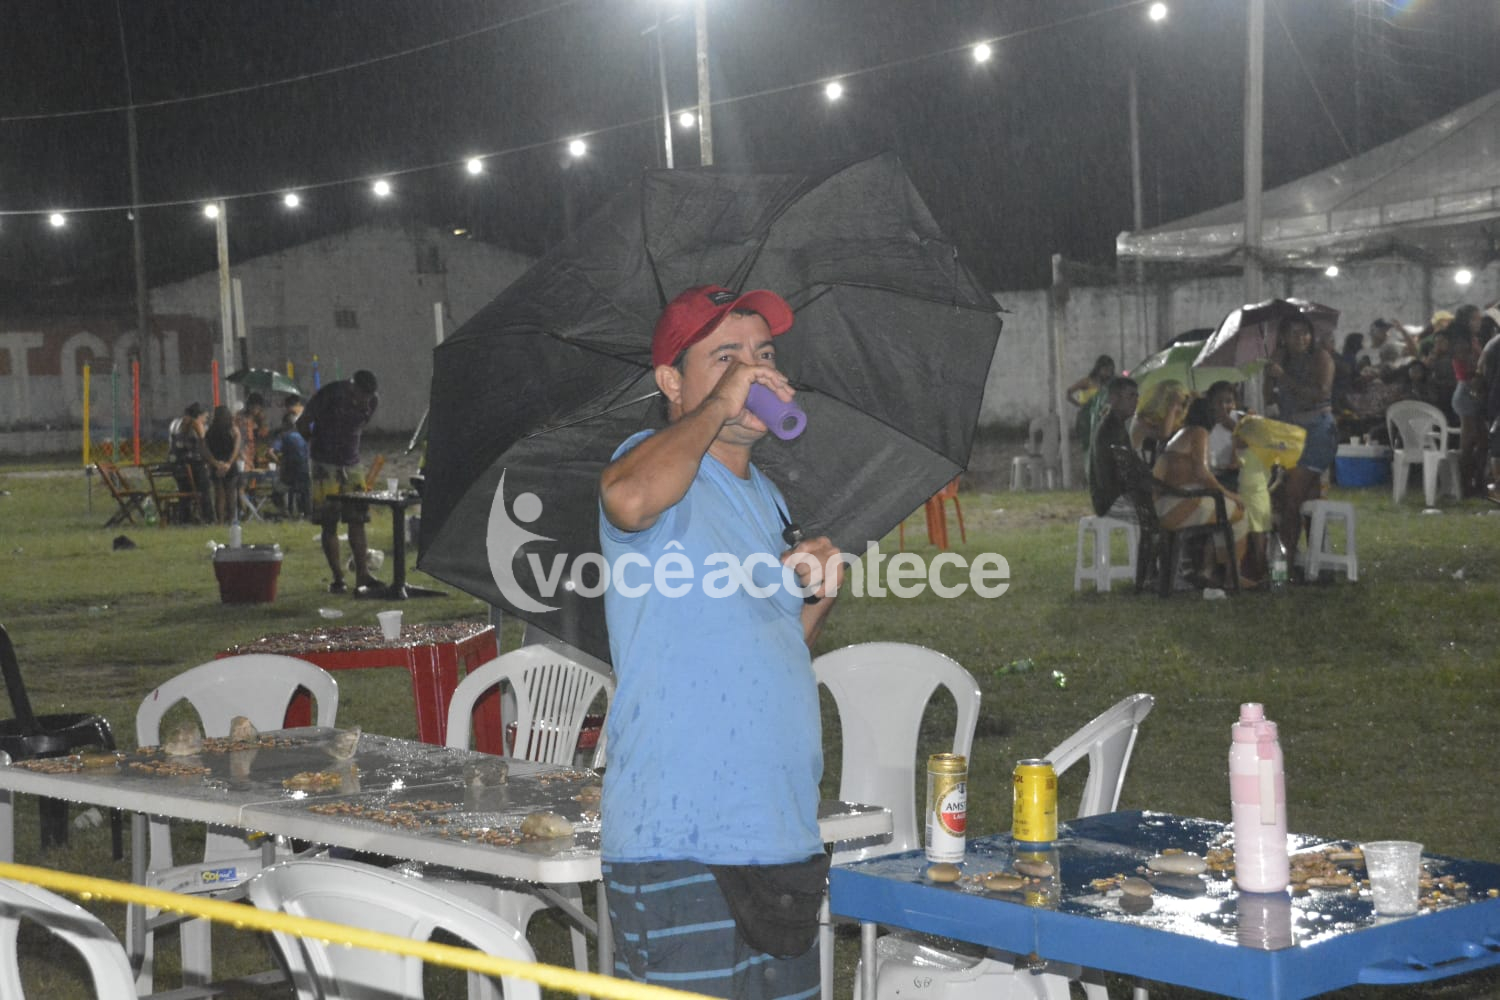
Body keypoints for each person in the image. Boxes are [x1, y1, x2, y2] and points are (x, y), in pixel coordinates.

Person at [597, 285, 842, 998]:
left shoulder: (769, 500)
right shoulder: (652, 466)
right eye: (726, 357)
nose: (755, 369)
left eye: (764, 353)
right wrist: (719, 405)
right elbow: (628, 497)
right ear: (671, 383)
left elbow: (771, 648)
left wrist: (818, 599)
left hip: (781, 833)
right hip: (681, 840)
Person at [297, 369, 382, 595]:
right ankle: (338, 578)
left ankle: (363, 574)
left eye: (367, 398)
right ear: (351, 387)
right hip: (325, 465)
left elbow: (357, 427)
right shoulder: (330, 394)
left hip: (352, 464)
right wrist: (317, 445)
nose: (363, 402)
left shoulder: (372, 402)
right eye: (360, 396)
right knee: (329, 521)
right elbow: (302, 423)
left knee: (358, 519)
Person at [1153, 396, 1249, 586]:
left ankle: (1217, 572)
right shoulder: (1199, 432)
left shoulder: (1182, 433)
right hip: (1176, 507)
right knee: (1239, 512)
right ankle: (1231, 575)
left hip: (1166, 504)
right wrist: (1229, 494)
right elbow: (1202, 473)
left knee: (1225, 510)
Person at [1266, 315, 1334, 570]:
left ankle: (1287, 563)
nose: (1301, 338)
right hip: (1289, 433)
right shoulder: (1280, 360)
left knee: (1293, 496)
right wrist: (1269, 374)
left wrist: (1283, 377)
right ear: (1283, 337)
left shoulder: (1321, 358)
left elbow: (1321, 393)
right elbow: (1269, 398)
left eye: (1305, 332)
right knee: (1301, 497)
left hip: (1316, 433)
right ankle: (1317, 562)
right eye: (1294, 333)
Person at [1446, 304, 1486, 496]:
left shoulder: (1473, 339)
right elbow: (1469, 367)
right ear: (1466, 321)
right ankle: (1465, 485)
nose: (1479, 323)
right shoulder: (1461, 343)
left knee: (1483, 441)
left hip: (1473, 391)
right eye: (1475, 319)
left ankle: (1478, 481)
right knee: (1468, 443)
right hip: (1467, 391)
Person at [1088, 376, 1140, 521]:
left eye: (1137, 396)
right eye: (1131, 396)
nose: (1136, 401)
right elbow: (1115, 476)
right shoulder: (1110, 430)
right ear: (1114, 398)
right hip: (1111, 502)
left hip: (1115, 498)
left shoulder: (1117, 426)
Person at [168, 402, 212, 523]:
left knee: (184, 491)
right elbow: (202, 446)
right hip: (192, 465)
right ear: (199, 416)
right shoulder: (195, 426)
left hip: (177, 465)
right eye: (205, 418)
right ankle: (208, 517)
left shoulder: (176, 423)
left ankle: (185, 518)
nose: (206, 421)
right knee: (204, 488)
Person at [1130, 379, 1188, 465]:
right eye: (1177, 403)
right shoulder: (1142, 419)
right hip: (1143, 467)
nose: (1179, 408)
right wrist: (1172, 406)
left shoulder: (1165, 420)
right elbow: (1163, 434)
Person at [1067, 354, 1115, 457]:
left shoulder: (1107, 385)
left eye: (1110, 371)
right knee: (1089, 448)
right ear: (1098, 369)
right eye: (1106, 370)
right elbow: (1068, 393)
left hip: (1101, 419)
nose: (1108, 374)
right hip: (1086, 419)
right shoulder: (1087, 382)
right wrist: (1079, 405)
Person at [203, 405, 241, 525]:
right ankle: (232, 519)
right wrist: (229, 463)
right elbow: (236, 449)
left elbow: (206, 450)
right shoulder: (233, 430)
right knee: (231, 493)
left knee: (219, 494)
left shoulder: (210, 431)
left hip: (216, 464)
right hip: (230, 464)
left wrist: (215, 463)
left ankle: (220, 520)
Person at [271, 413, 311, 518]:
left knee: (276, 491)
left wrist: (279, 462)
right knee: (304, 490)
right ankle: (305, 513)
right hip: (304, 474)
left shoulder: (282, 436)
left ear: (284, 424)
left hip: (288, 477)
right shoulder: (304, 436)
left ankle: (284, 512)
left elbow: (270, 452)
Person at [1205, 381, 1242, 492]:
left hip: (1236, 476)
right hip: (1210, 477)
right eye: (1218, 402)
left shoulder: (1241, 419)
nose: (1223, 406)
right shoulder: (1203, 421)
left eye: (1228, 401)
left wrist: (1231, 425)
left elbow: (1250, 443)